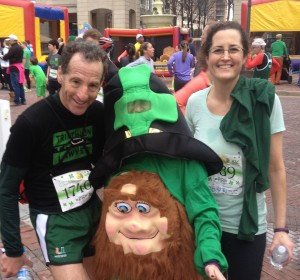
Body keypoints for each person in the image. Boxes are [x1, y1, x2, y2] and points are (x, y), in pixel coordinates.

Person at [89, 64, 228, 279]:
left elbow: (204, 211)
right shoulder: (118, 162)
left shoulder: (185, 164)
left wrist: (210, 257)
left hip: (173, 270)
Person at [185, 21, 294, 280]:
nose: (225, 57)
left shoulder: (265, 100)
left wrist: (281, 228)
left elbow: (276, 167)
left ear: (246, 57)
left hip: (246, 228)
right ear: (206, 57)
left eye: (233, 49)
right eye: (217, 50)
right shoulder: (194, 103)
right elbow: (187, 165)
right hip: (201, 224)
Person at [0, 40, 108, 280]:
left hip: (92, 212)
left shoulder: (99, 114)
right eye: (76, 82)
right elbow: (5, 189)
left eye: (92, 86)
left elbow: (110, 161)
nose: (83, 95)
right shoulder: (31, 123)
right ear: (60, 74)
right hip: (55, 221)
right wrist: (14, 248)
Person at [175, 22, 217, 115]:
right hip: (187, 80)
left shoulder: (176, 55)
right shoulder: (203, 79)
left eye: (203, 34)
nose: (201, 37)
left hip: (180, 80)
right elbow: (177, 101)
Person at [0, 34, 26, 106]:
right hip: (20, 67)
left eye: (10, 40)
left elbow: (6, 57)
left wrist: (2, 56)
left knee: (15, 85)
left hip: (14, 68)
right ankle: (23, 100)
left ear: (12, 40)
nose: (9, 41)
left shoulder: (13, 48)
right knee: (20, 84)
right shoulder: (20, 47)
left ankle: (17, 100)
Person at [0, 39, 14, 103]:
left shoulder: (5, 49)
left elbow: (5, 57)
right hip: (9, 65)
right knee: (9, 80)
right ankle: (12, 95)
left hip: (6, 66)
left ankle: (12, 96)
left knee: (8, 80)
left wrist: (1, 56)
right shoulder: (10, 49)